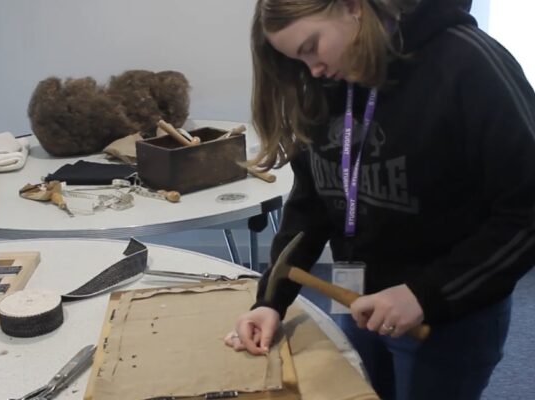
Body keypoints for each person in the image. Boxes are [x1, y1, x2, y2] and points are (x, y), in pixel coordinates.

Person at [225, 0, 535, 399]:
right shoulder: (328, 80)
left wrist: (426, 294)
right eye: (298, 61)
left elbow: (527, 211)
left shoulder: (468, 63)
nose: (313, 70)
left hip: (449, 314)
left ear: (353, 7)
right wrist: (271, 301)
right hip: (356, 297)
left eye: (311, 47)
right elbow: (313, 202)